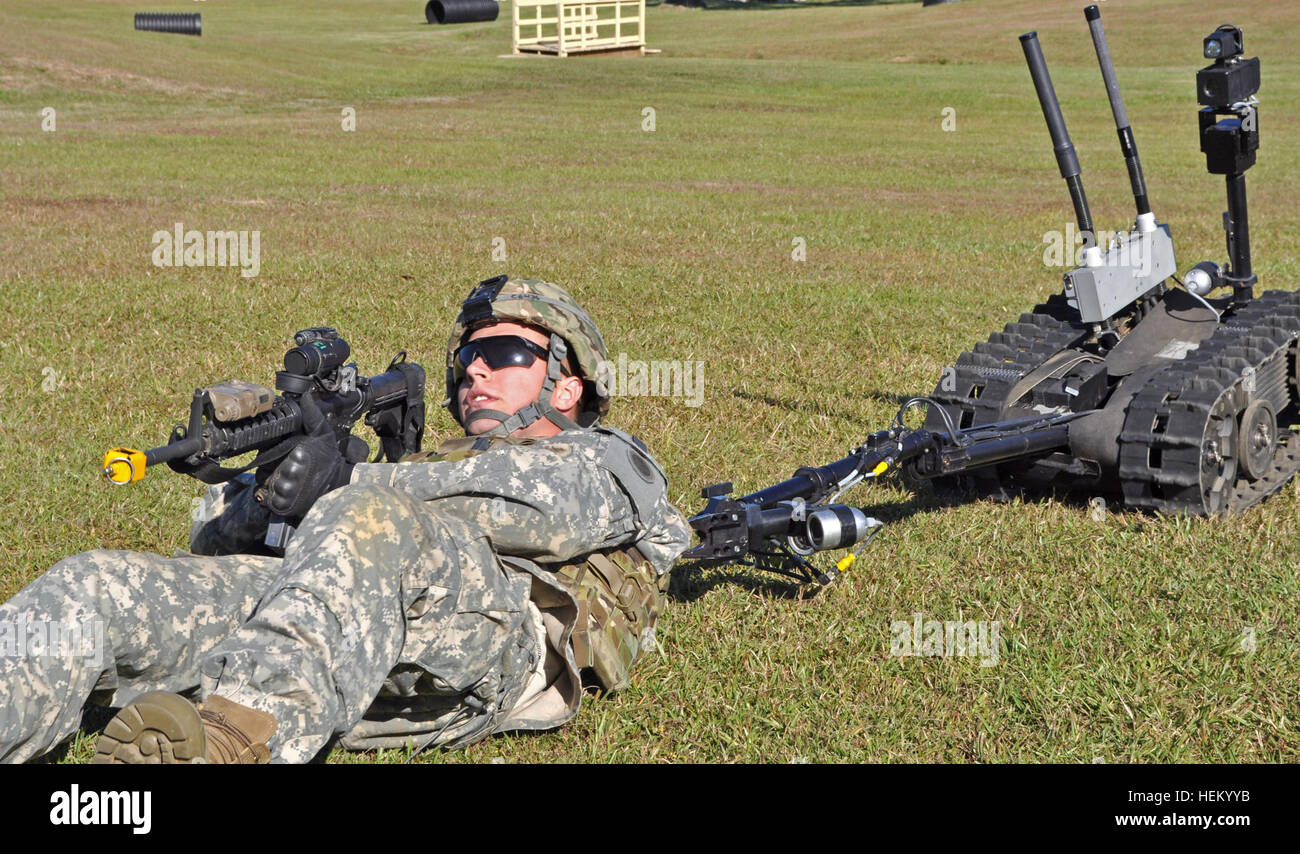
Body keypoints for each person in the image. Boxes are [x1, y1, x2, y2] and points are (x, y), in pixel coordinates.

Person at [0, 275, 691, 763]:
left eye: (507, 353)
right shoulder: (418, 466)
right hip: (331, 632)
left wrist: (351, 478)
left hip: (489, 652)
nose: (476, 369)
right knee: (96, 588)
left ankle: (229, 742)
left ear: (568, 381)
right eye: (466, 357)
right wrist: (271, 494)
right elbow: (210, 548)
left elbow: (551, 513)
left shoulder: (607, 457)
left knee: (369, 514)